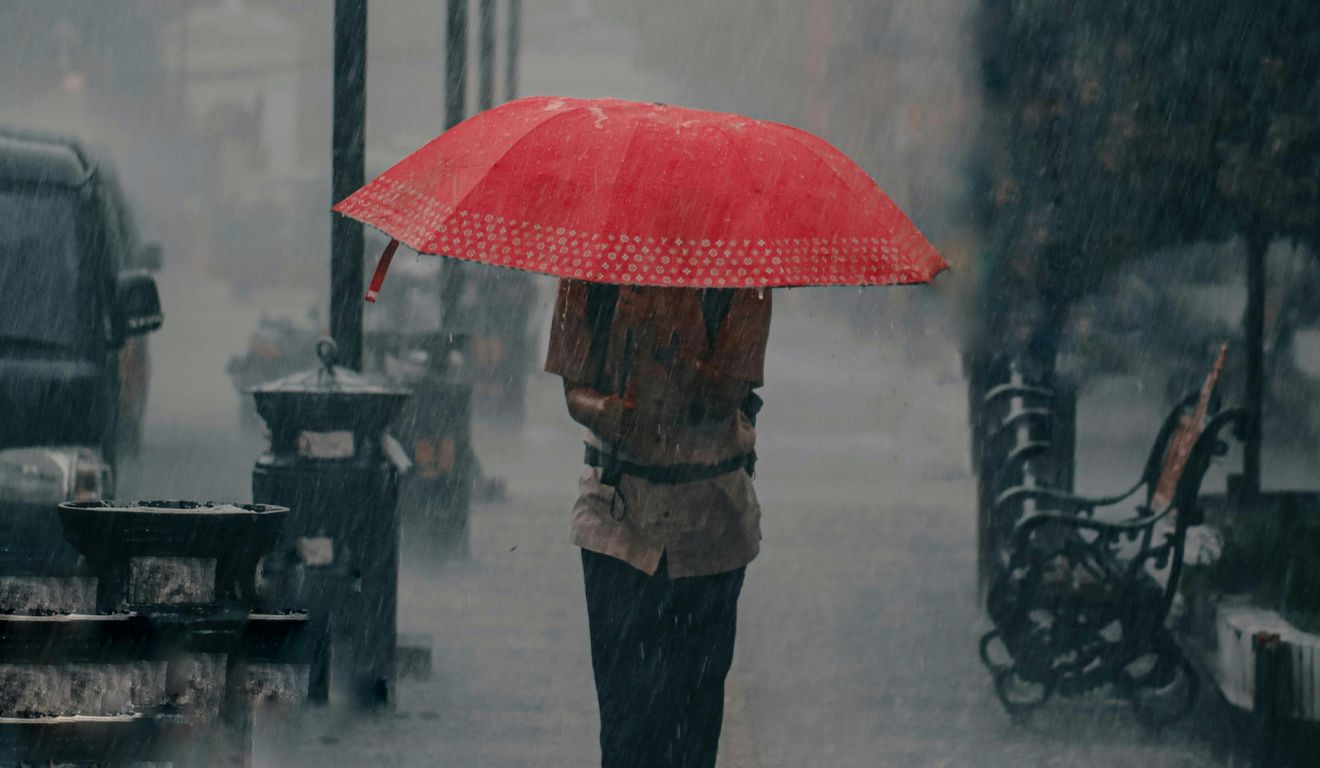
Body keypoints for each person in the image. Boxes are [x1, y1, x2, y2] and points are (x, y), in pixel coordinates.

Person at [545, 280, 772, 768]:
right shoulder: (591, 265)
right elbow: (573, 388)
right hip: (617, 523)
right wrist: (601, 410)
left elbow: (727, 391)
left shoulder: (741, 272)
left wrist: (672, 354)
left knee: (693, 718)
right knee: (626, 726)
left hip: (710, 527)